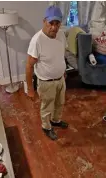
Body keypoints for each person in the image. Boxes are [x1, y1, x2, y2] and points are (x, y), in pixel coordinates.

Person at [26, 6, 69, 140]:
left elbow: (62, 55)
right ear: (44, 21)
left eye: (57, 23)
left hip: (60, 79)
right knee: (47, 107)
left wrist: (64, 71)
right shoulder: (37, 40)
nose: (54, 27)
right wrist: (30, 89)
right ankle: (46, 127)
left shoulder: (61, 35)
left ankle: (56, 121)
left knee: (60, 103)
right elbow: (29, 66)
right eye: (51, 23)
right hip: (46, 82)